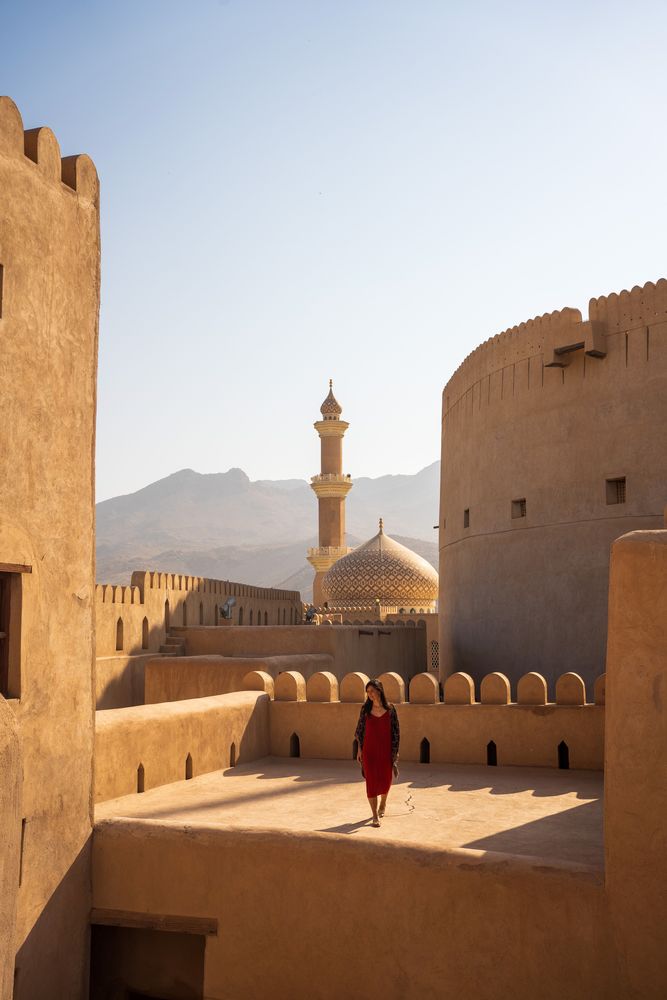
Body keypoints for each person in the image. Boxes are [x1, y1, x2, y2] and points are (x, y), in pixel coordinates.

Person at [354, 678, 400, 827]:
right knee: (371, 782)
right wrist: (359, 750)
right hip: (369, 751)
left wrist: (395, 753)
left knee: (386, 780)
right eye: (368, 692)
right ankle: (375, 815)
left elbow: (396, 733)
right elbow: (360, 731)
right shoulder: (365, 710)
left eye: (372, 691)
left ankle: (383, 803)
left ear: (379, 690)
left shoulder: (391, 710)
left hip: (386, 751)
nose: (370, 694)